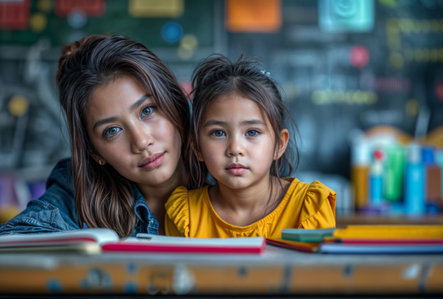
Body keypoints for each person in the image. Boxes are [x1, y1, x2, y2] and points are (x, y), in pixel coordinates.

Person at [0, 34, 190, 237]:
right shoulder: (81, 193)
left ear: (175, 104)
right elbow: (12, 242)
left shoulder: (223, 160)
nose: (142, 142)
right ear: (94, 151)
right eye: (112, 131)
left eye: (147, 110)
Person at [165, 54, 336, 238]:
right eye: (218, 133)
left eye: (252, 132)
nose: (235, 148)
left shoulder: (308, 209)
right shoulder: (186, 216)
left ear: (279, 144)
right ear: (197, 146)